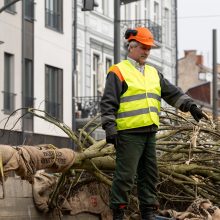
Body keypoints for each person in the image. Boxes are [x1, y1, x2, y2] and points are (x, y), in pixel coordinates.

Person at [100, 26, 208, 220]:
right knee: (125, 176)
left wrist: (191, 106)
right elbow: (108, 103)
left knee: (149, 175)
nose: (147, 51)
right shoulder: (118, 71)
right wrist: (110, 128)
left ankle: (148, 213)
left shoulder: (153, 73)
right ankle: (118, 214)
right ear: (131, 47)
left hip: (150, 132)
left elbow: (172, 93)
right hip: (128, 133)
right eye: (143, 47)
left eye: (149, 48)